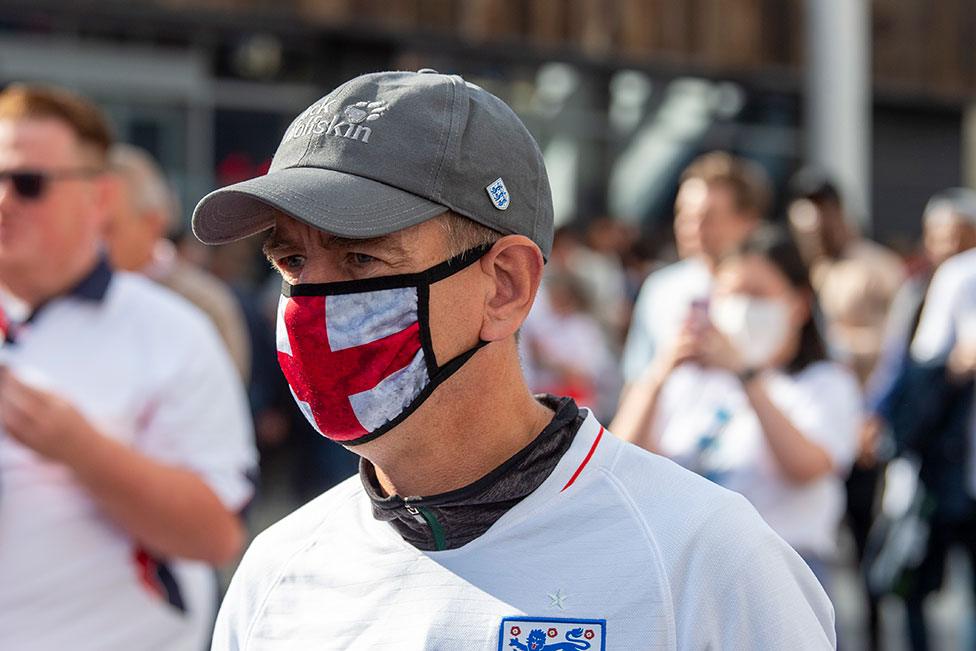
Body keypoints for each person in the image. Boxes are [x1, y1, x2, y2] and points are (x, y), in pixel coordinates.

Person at [193, 69, 834, 649]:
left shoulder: (703, 558)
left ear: (506, 287)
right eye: (292, 262)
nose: (313, 304)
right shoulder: (277, 574)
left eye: (361, 258)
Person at [0, 84, 257, 649]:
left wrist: (78, 449)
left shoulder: (174, 332)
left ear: (97, 199)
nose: (3, 201)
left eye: (27, 183)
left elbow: (215, 534)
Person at [612, 226, 861, 591]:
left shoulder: (824, 382)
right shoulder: (694, 381)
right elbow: (623, 456)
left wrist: (747, 376)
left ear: (799, 303)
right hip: (688, 572)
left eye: (757, 294)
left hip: (782, 575)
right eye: (730, 295)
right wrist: (660, 372)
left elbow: (804, 467)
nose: (742, 308)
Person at [621, 151, 771, 384]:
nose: (691, 228)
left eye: (708, 217)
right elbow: (635, 379)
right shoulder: (659, 288)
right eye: (684, 214)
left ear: (748, 221)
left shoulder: (774, 292)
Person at [105, 143, 252, 380]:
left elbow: (217, 406)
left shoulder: (204, 304)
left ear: (153, 223)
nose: (94, 239)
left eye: (108, 228)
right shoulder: (65, 293)